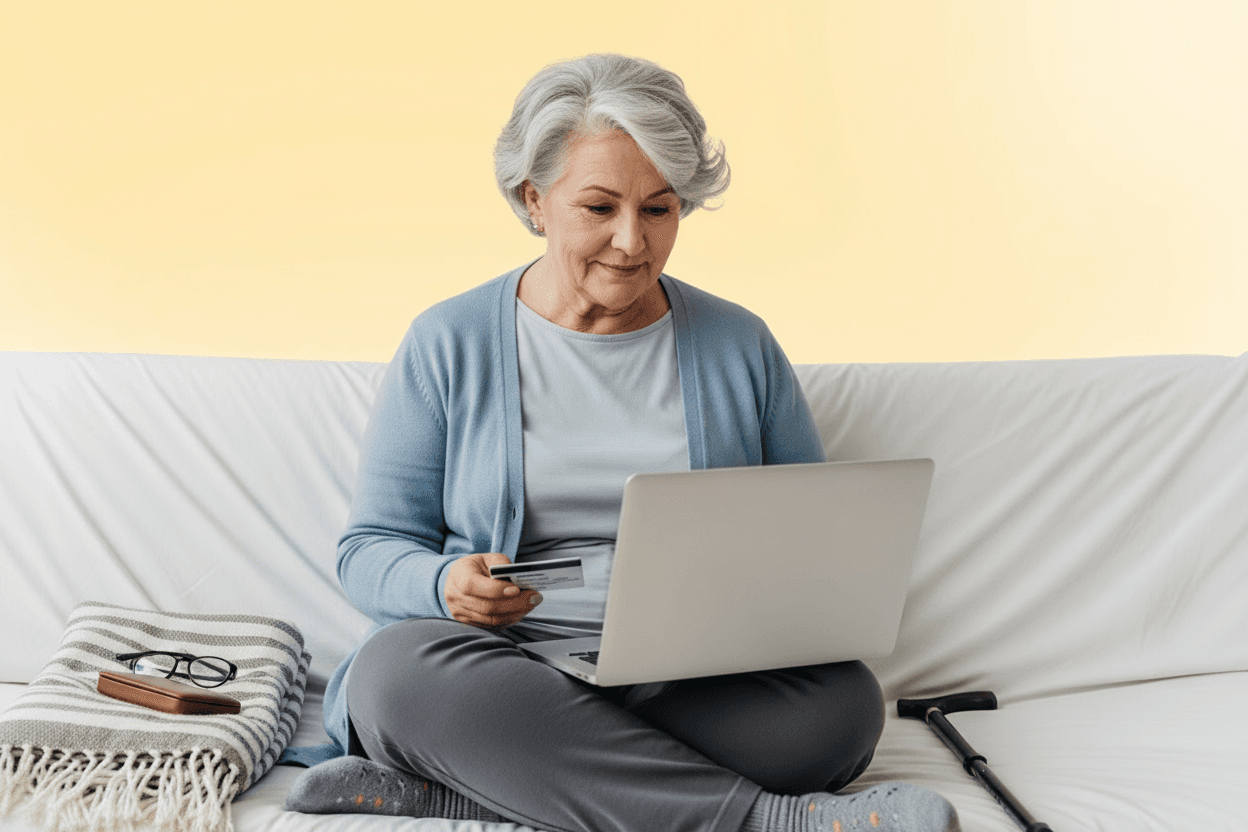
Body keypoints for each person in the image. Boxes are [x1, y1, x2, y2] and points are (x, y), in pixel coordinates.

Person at [286, 54, 959, 832]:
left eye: (659, 209)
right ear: (534, 199)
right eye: (599, 207)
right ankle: (769, 821)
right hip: (506, 672)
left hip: (689, 682)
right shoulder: (448, 342)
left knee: (841, 706)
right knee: (397, 677)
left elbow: (810, 545)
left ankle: (473, 785)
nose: (632, 241)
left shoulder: (740, 345)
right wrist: (444, 586)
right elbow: (369, 551)